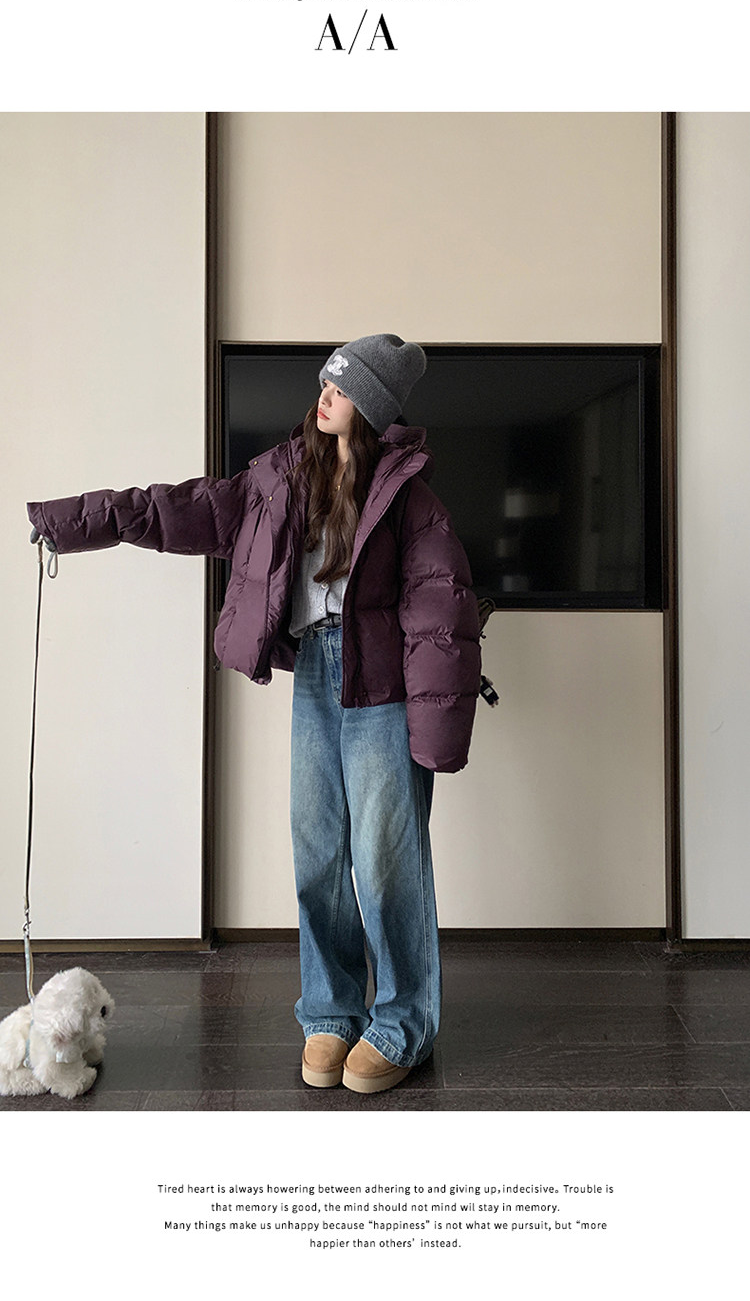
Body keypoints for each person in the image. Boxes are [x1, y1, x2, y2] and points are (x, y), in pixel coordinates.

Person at [28, 334, 481, 1094]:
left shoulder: (411, 499)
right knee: (318, 855)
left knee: (386, 863)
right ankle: (331, 1013)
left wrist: (435, 733)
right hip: (318, 674)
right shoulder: (279, 478)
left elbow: (442, 618)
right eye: (326, 380)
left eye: (343, 386)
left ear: (372, 406)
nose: (324, 393)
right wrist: (70, 522)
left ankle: (404, 1023)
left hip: (384, 690)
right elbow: (172, 509)